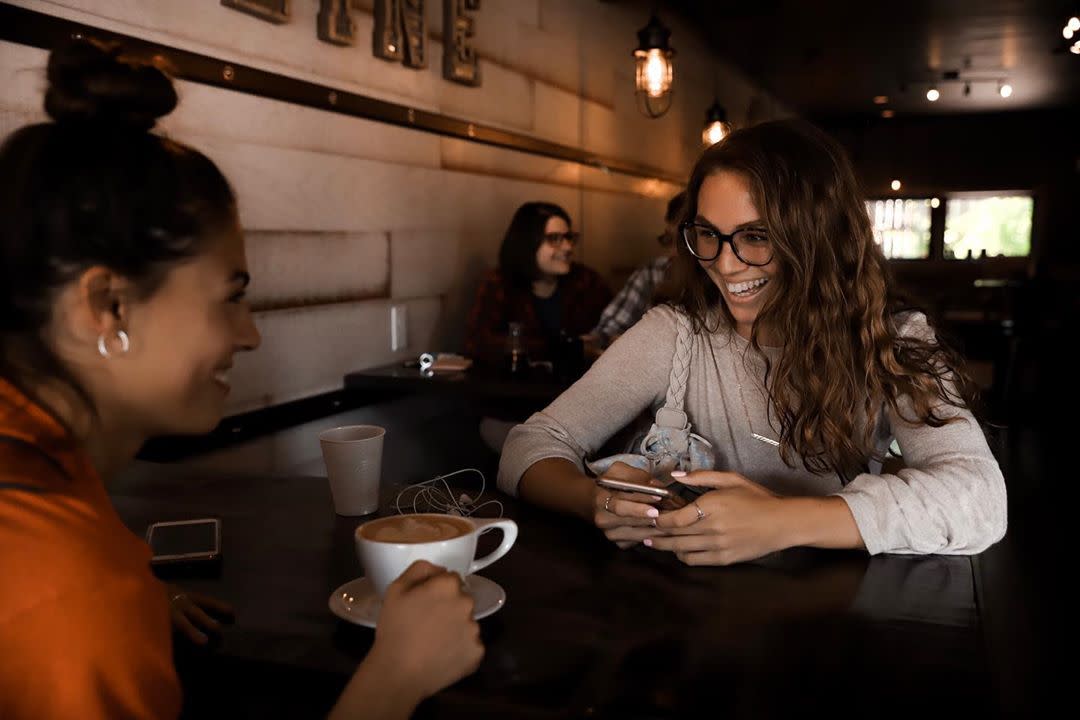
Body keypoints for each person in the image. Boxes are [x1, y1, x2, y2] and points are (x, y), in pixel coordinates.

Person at [0, 38, 482, 719]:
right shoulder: (70, 602)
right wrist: (395, 678)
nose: (250, 334)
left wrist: (132, 589)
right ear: (105, 306)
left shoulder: (51, 496)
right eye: (230, 295)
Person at [498, 119, 1007, 564]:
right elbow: (529, 445)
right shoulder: (676, 335)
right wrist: (597, 502)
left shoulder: (892, 339)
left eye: (756, 236)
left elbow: (980, 498)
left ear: (817, 239)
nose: (724, 263)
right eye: (708, 234)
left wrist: (780, 522)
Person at [464, 202, 612, 366]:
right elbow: (477, 344)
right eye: (554, 239)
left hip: (579, 386)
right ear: (528, 243)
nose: (568, 247)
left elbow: (613, 333)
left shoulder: (587, 281)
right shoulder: (500, 283)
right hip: (518, 388)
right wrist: (560, 348)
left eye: (568, 238)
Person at [589, 191, 685, 348]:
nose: (672, 252)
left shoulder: (720, 280)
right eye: (668, 239)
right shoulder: (653, 272)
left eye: (683, 242)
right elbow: (608, 331)